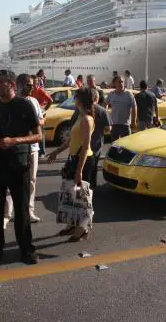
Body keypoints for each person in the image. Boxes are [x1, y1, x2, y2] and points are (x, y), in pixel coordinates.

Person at [0, 70, 41, 265]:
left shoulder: (24, 105)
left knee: (21, 210)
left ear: (11, 85)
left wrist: (15, 140)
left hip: (19, 166)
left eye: (1, 83)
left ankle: (27, 249)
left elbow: (38, 136)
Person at [59, 87, 95, 241]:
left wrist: (79, 171)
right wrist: (56, 151)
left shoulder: (86, 119)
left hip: (83, 161)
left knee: (82, 197)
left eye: (75, 97)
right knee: (71, 195)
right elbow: (71, 140)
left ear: (80, 100)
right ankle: (73, 224)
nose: (74, 100)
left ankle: (82, 228)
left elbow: (86, 146)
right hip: (74, 159)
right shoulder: (80, 116)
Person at [16, 74, 44, 223]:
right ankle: (9, 213)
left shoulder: (34, 101)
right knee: (13, 182)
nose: (32, 88)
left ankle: (29, 210)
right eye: (28, 85)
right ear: (19, 85)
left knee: (32, 180)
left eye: (32, 85)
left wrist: (36, 122)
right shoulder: (14, 102)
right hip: (17, 148)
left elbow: (41, 119)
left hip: (33, 147)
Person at [106, 75, 137, 141]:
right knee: (114, 145)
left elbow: (134, 107)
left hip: (125, 125)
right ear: (115, 83)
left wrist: (134, 121)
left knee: (126, 146)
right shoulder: (111, 94)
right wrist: (106, 119)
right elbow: (105, 105)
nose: (121, 84)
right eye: (119, 82)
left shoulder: (129, 94)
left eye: (122, 82)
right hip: (114, 124)